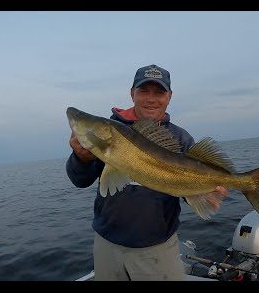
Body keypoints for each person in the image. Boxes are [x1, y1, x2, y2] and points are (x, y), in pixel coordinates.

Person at [66, 64, 227, 281]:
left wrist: (205, 195)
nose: (151, 99)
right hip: (107, 243)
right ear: (132, 93)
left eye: (159, 92)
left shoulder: (181, 139)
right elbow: (80, 180)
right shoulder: (110, 131)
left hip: (157, 247)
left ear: (169, 96)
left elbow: (186, 189)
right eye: (144, 91)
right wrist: (80, 159)